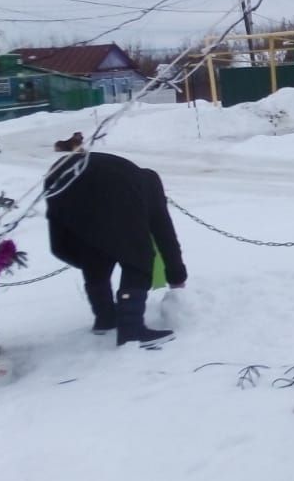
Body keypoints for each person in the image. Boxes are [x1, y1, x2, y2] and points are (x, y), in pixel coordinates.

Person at [45, 134, 187, 348]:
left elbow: (62, 241)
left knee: (94, 249)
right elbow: (165, 235)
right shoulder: (146, 185)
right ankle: (131, 330)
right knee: (139, 258)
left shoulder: (132, 178)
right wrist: (177, 277)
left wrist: (81, 259)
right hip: (99, 183)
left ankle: (105, 317)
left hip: (60, 179)